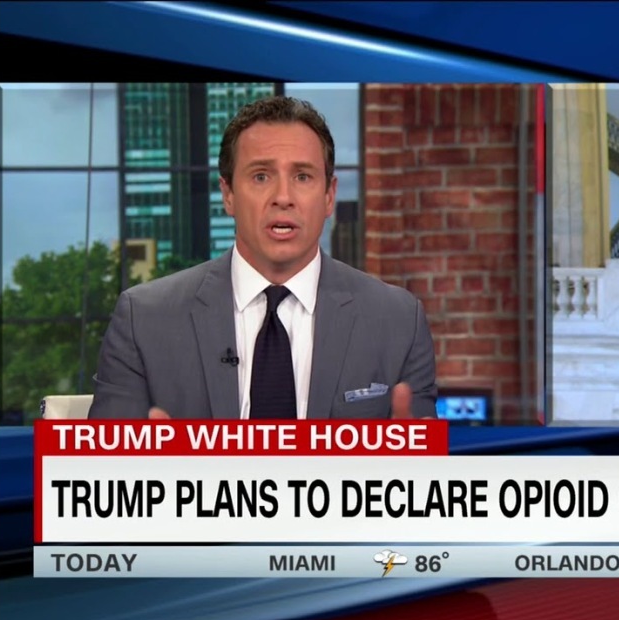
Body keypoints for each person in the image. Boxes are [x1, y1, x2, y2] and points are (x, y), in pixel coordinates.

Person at [89, 96, 437, 420]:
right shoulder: (143, 321)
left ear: (329, 196)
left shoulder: (398, 322)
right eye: (261, 176)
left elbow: (420, 462)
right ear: (228, 194)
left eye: (302, 176)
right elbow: (102, 464)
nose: (283, 197)